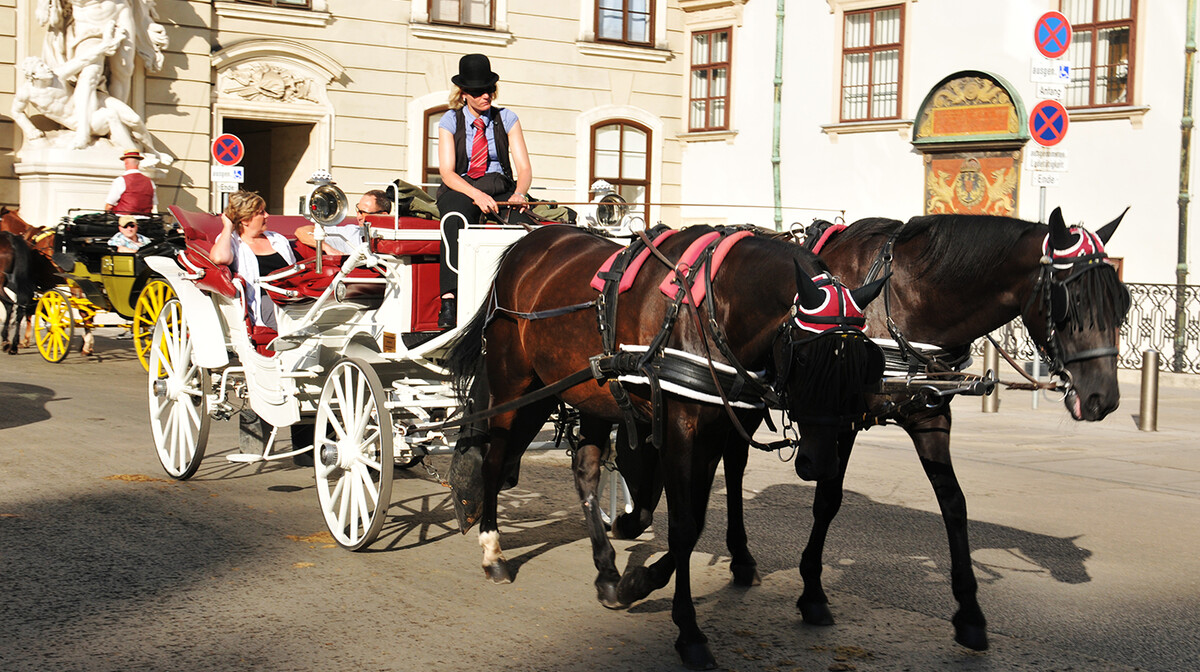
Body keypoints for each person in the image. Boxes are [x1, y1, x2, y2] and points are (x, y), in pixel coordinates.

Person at [436, 53, 535, 329]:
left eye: (489, 89)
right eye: (479, 91)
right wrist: (476, 195)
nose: (486, 96)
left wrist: (520, 194)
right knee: (454, 219)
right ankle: (449, 299)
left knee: (524, 226)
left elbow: (524, 169)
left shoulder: (507, 118)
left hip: (500, 186)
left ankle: (516, 295)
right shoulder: (449, 121)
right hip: (463, 186)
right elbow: (447, 172)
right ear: (464, 93)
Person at [210, 190, 296, 331]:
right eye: (261, 212)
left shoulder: (278, 240)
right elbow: (219, 258)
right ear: (245, 219)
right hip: (265, 302)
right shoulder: (232, 241)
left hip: (293, 298)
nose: (267, 215)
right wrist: (227, 227)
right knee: (300, 323)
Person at [294, 189, 393, 255]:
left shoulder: (396, 239)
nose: (358, 217)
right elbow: (301, 231)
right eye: (358, 210)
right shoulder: (350, 232)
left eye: (363, 213)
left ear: (383, 215)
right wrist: (327, 248)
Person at [104, 149, 157, 215]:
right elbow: (153, 203)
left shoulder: (121, 180)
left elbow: (109, 206)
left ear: (126, 163)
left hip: (124, 220)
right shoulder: (150, 182)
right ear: (138, 163)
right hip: (145, 220)